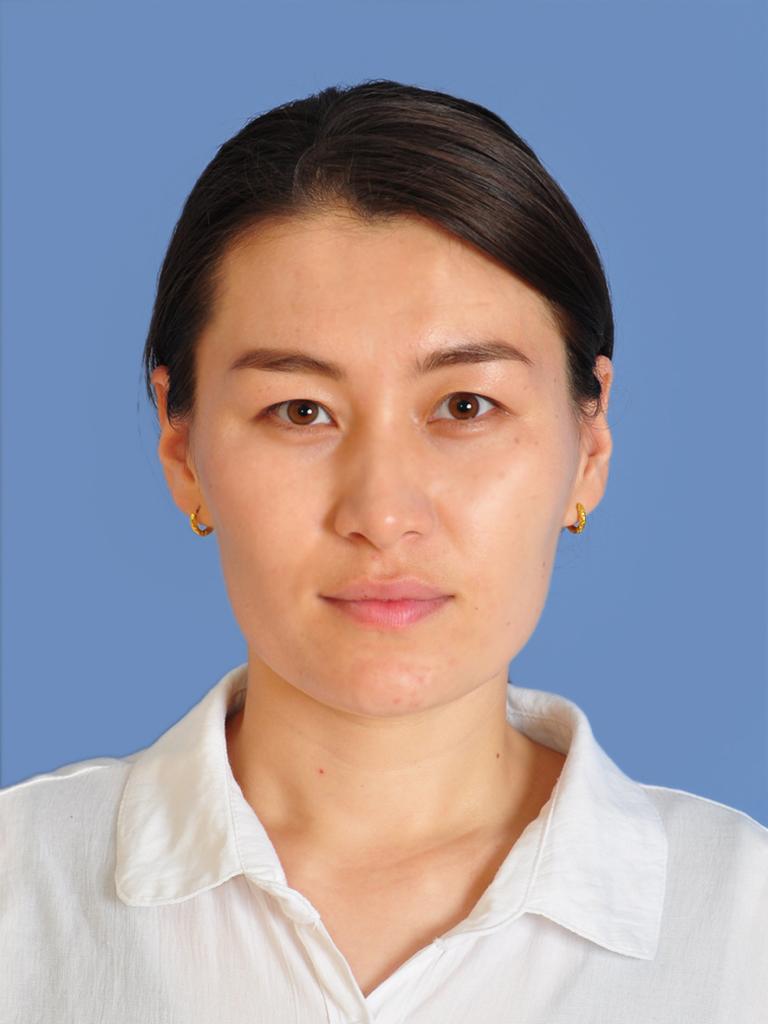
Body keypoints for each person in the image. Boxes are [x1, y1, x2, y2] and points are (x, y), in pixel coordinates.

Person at [1, 79, 765, 1023]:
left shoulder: (743, 926)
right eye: (300, 411)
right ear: (180, 447)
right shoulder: (20, 895)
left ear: (590, 444)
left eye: (466, 406)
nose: (383, 513)